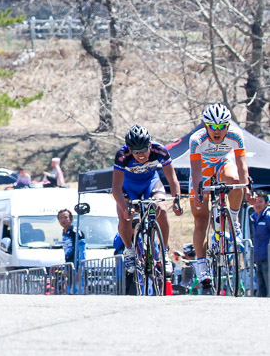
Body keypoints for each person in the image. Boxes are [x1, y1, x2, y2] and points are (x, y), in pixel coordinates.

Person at [185, 103, 249, 285]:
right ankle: (202, 264)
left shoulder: (236, 136)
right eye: (213, 127)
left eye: (221, 127)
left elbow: (242, 165)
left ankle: (234, 219)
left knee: (236, 181)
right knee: (200, 219)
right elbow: (196, 171)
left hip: (223, 163)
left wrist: (247, 187)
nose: (217, 131)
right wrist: (198, 190)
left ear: (228, 126)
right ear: (206, 126)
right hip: (203, 169)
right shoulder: (197, 139)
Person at [111, 124, 181, 277]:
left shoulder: (160, 150)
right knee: (126, 217)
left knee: (161, 209)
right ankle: (129, 250)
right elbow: (115, 188)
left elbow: (172, 178)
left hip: (150, 183)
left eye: (143, 150)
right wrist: (124, 207)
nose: (140, 154)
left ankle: (164, 252)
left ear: (150, 145)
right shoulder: (122, 155)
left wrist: (177, 200)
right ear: (129, 150)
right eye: (136, 152)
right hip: (128, 187)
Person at [250, 191, 270, 297]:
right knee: (261, 290)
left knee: (268, 287)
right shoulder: (254, 217)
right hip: (258, 258)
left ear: (267, 203)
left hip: (268, 258)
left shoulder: (268, 216)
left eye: (261, 202)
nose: (257, 205)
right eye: (256, 202)